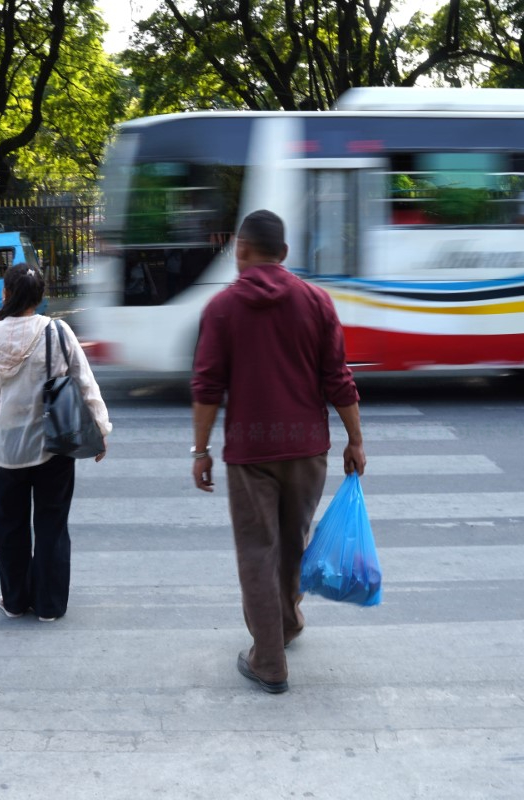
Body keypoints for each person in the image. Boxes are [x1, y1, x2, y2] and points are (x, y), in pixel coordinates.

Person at [190, 209, 365, 694]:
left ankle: (268, 659)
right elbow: (338, 377)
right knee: (292, 544)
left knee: (256, 552)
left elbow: (207, 388)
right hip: (308, 450)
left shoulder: (221, 308)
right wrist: (356, 439)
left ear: (240, 250)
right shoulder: (316, 302)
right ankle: (286, 623)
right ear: (284, 254)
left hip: (251, 453)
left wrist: (200, 449)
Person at [0, 263, 111, 622]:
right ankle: (49, 607)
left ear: (6, 294)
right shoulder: (58, 332)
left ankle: (14, 602)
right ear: (41, 297)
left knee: (9, 529)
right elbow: (84, 383)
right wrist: (100, 429)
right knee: (51, 526)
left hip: (3, 449)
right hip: (52, 446)